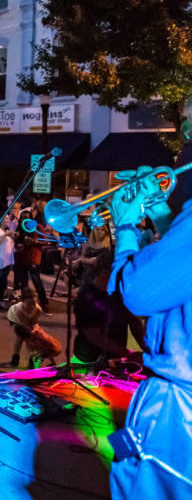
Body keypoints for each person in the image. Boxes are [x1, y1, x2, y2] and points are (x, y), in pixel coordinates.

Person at [106, 147, 192, 499]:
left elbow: (136, 293)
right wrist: (162, 212)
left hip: (177, 410)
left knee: (140, 485)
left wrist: (125, 227)